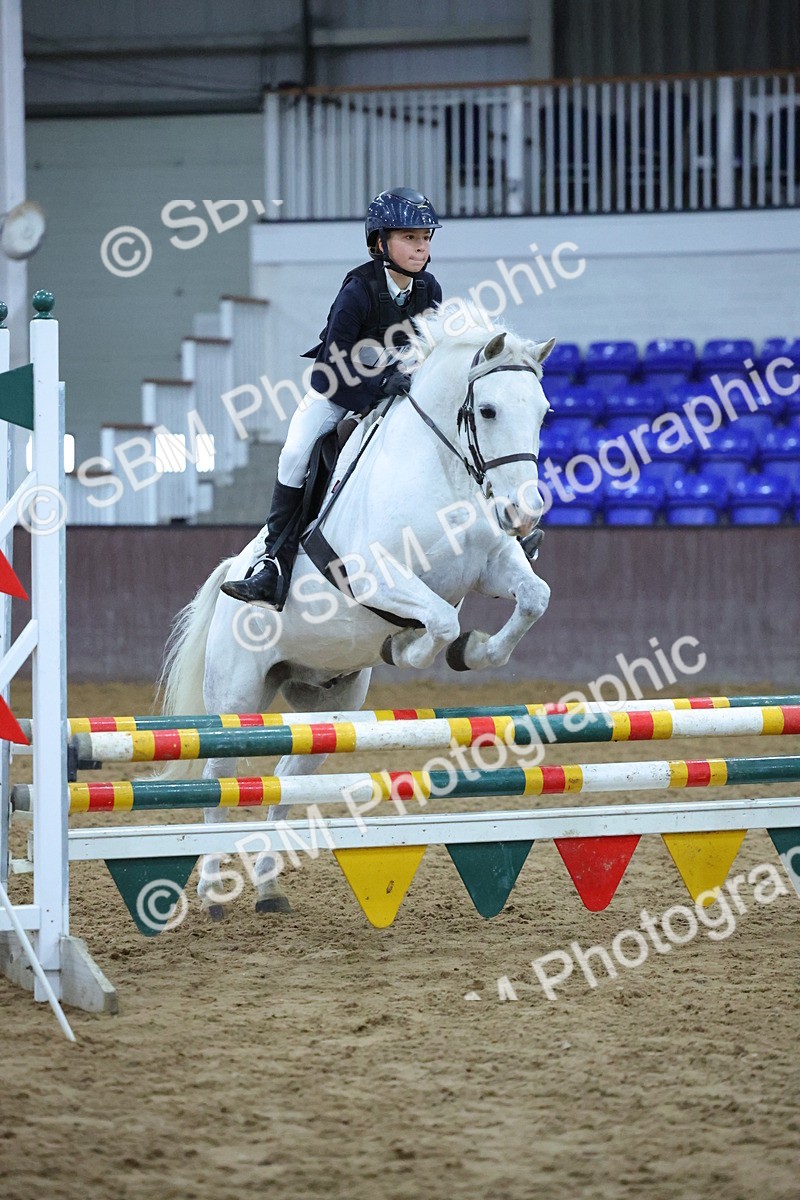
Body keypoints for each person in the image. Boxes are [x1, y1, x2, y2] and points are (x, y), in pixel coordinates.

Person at [221, 186, 443, 608]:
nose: (421, 247)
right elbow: (327, 373)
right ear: (381, 243)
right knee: (293, 453)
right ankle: (273, 564)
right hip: (341, 392)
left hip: (398, 396)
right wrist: (377, 388)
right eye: (410, 238)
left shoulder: (429, 290)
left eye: (426, 238)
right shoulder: (358, 290)